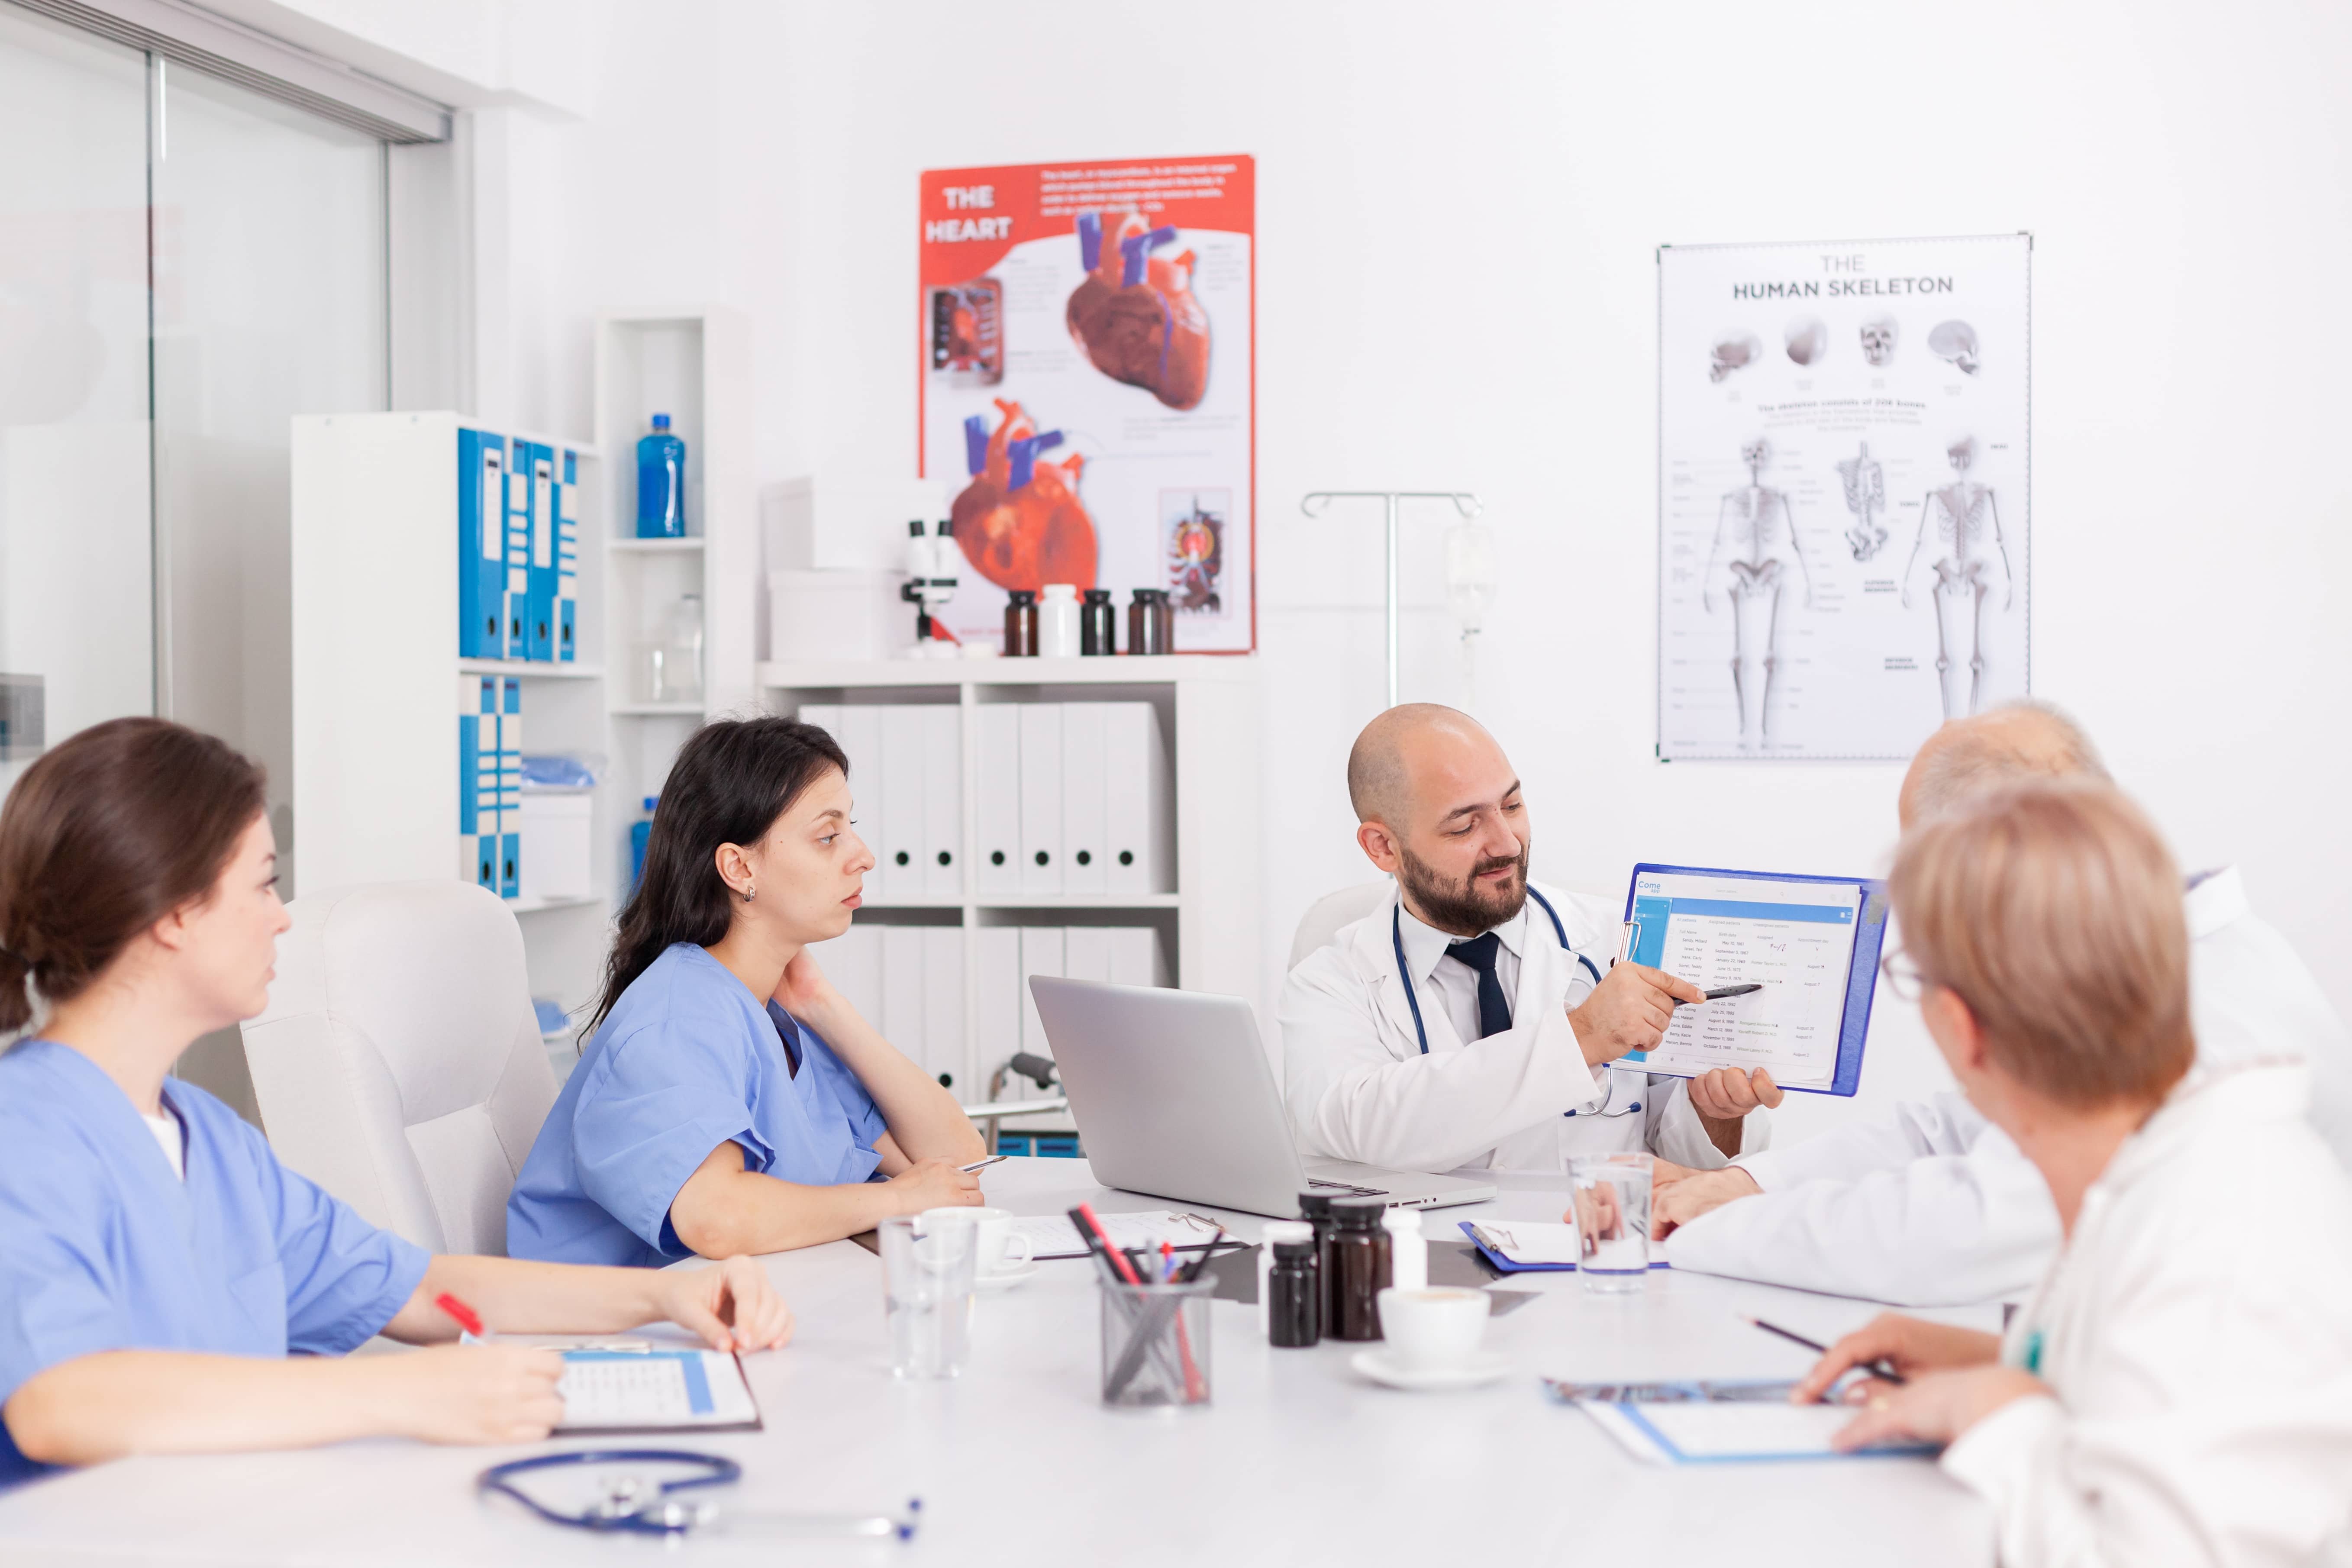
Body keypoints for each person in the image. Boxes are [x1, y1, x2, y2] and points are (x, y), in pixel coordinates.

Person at [0, 719, 793, 1490]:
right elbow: (58, 1402)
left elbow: (420, 1289)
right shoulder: (25, 1131)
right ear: (174, 914)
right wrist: (401, 1395)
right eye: (264, 883)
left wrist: (662, 1294)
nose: (282, 916)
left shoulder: (208, 1139)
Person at [1787, 779, 2352, 1565]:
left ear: (1961, 1028)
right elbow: (2170, 1400)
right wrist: (2011, 1361)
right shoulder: (2162, 1167)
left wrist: (2000, 1409)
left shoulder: (2222, 1227)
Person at [1654, 701, 2352, 1303]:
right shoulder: (2135, 965)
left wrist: (1708, 1224)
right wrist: (1746, 1183)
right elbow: (1954, 1129)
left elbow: (1972, 1231)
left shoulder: (2219, 1024)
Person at [507, 716, 985, 1266]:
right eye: (829, 837)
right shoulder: (679, 1018)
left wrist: (826, 1007)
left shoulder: (776, 1015)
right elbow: (716, 1218)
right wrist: (893, 1200)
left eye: (850, 828)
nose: (864, 856)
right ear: (738, 867)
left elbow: (958, 1163)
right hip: (601, 1339)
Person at [1280, 704, 1777, 1175]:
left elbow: (1683, 1158)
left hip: (1588, 1251)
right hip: (1427, 1258)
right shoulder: (1329, 982)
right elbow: (1357, 1124)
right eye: (1464, 825)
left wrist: (1717, 1113)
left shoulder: (1622, 940)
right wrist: (1584, 1035)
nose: (1508, 842)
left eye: (1512, 805)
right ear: (1384, 846)